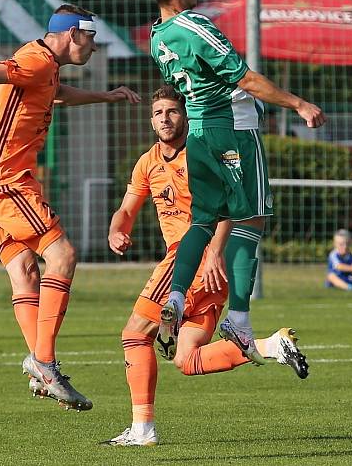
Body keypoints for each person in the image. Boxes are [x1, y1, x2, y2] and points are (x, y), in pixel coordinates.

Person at [0, 4, 140, 412]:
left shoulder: (47, 67)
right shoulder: (33, 59)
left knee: (25, 271)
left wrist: (104, 95)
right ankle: (44, 362)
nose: (95, 47)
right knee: (61, 254)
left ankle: (42, 367)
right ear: (72, 34)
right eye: (92, 38)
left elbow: (55, 93)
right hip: (3, 182)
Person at [145, 0, 326, 363]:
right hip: (233, 129)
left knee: (203, 220)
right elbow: (243, 78)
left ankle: (175, 295)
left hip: (198, 133)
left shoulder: (157, 37)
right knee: (252, 217)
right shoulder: (196, 26)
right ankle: (239, 319)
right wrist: (298, 104)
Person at [103, 86, 308, 447]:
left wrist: (214, 251)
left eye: (172, 111)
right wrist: (117, 229)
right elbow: (126, 208)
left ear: (186, 115)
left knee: (134, 334)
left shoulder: (201, 152)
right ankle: (273, 346)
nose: (165, 119)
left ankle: (142, 429)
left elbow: (232, 204)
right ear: (151, 121)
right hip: (210, 274)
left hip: (191, 258)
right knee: (186, 359)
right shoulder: (147, 162)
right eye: (158, 113)